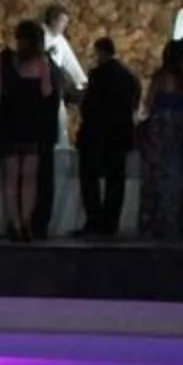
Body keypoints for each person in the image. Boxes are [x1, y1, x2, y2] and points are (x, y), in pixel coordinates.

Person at [0, 21, 61, 241]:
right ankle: (26, 223)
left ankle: (13, 222)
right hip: (32, 124)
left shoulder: (4, 60)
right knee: (29, 178)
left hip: (9, 123)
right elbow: (47, 91)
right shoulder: (41, 62)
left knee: (10, 177)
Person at [76, 36, 140, 236]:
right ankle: (111, 222)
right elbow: (134, 103)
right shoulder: (128, 77)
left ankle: (94, 219)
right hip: (119, 133)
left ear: (100, 52)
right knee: (116, 179)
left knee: (90, 178)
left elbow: (89, 105)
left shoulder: (98, 75)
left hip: (96, 133)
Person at [137, 41, 183, 239]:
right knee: (181, 177)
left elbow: (148, 104)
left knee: (157, 178)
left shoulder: (161, 78)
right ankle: (180, 221)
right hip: (182, 132)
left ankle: (157, 222)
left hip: (160, 132)